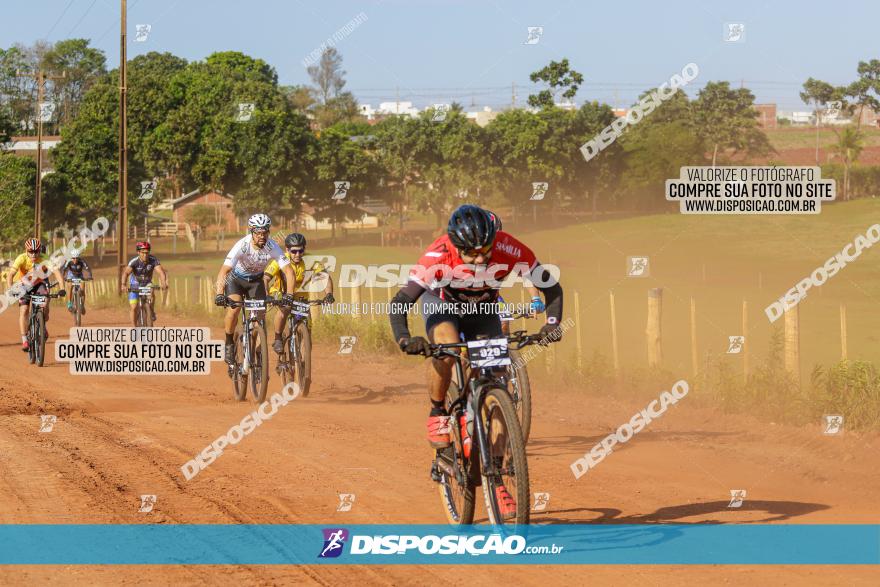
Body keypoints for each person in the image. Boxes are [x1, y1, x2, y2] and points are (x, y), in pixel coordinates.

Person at [388, 204, 563, 516]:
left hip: (484, 313)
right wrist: (404, 338)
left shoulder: (508, 247)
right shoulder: (437, 255)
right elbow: (401, 301)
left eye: (487, 250)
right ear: (456, 247)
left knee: (500, 383)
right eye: (473, 254)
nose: (482, 259)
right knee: (445, 346)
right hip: (443, 307)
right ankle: (438, 411)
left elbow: (551, 287)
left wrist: (551, 326)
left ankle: (495, 474)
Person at [214, 214, 298, 364]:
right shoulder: (242, 245)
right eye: (258, 233)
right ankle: (229, 343)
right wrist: (220, 294)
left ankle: (253, 348)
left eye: (265, 232)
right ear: (251, 232)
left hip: (256, 281)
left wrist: (290, 294)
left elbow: (289, 271)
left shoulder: (272, 246)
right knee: (234, 308)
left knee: (259, 318)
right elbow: (224, 271)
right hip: (236, 280)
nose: (262, 236)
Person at [263, 233, 335, 354]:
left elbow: (325, 277)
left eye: (301, 251)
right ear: (287, 250)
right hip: (280, 292)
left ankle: (303, 359)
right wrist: (267, 295)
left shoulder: (310, 260)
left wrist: (329, 294)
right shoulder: (280, 260)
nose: (297, 254)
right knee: (285, 310)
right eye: (294, 251)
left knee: (307, 327)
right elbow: (265, 278)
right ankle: (278, 338)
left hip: (301, 296)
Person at [6, 238, 66, 351]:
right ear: (26, 251)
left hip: (40, 283)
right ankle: (24, 340)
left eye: (36, 251)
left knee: (45, 303)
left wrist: (62, 288)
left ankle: (42, 325)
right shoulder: (21, 258)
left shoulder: (44, 258)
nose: (34, 254)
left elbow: (57, 272)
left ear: (40, 251)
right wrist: (11, 289)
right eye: (31, 251)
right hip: (24, 285)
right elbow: (10, 275)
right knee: (24, 310)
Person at [120, 241, 168, 326]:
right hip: (134, 285)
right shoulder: (134, 261)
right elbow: (126, 273)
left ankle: (151, 311)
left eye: (147, 252)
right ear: (138, 252)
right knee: (133, 307)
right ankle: (134, 328)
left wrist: (164, 283)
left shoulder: (153, 260)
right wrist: (123, 284)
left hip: (146, 284)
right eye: (142, 253)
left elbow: (160, 272)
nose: (145, 255)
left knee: (151, 291)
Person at [62, 249, 93, 315]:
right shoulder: (68, 261)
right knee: (70, 286)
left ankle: (82, 305)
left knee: (82, 288)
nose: (75, 260)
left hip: (79, 276)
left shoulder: (82, 261)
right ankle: (69, 304)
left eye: (76, 258)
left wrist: (90, 276)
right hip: (71, 275)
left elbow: (88, 269)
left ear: (79, 258)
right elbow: (64, 270)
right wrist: (64, 277)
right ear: (71, 258)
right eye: (73, 258)